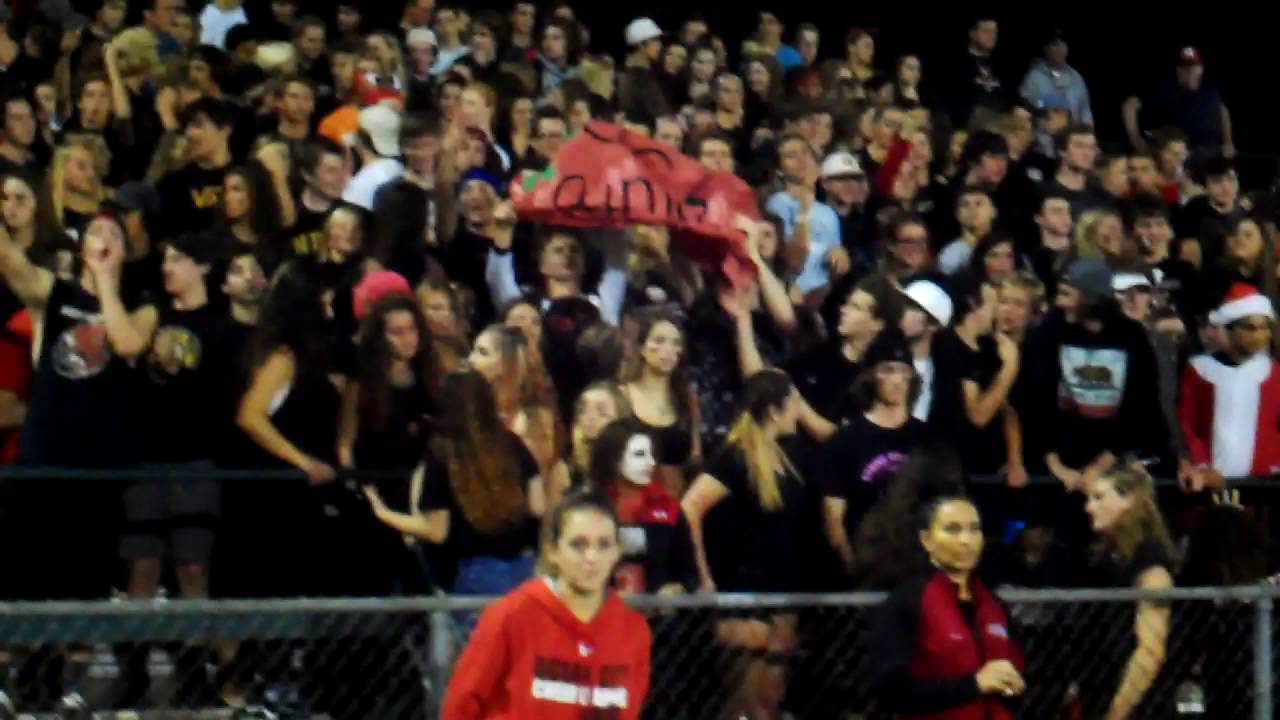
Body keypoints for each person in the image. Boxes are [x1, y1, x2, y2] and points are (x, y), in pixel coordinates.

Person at [442, 490, 651, 720]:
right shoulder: (510, 616)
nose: (591, 557)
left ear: (617, 552)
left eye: (603, 545)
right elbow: (460, 706)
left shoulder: (634, 631)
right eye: (578, 545)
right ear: (553, 550)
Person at [682, 369, 805, 720]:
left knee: (770, 700)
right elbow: (690, 507)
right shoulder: (734, 456)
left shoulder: (783, 456)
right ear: (774, 410)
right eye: (794, 403)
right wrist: (702, 575)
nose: (799, 412)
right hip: (742, 588)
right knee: (745, 702)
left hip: (780, 588)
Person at [867, 490, 1025, 719]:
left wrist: (1013, 687)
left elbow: (1017, 675)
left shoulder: (994, 604)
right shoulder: (906, 604)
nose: (966, 541)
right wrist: (974, 684)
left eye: (974, 529)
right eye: (953, 529)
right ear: (927, 540)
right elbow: (891, 692)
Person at [820, 328, 927, 578]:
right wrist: (853, 569)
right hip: (864, 568)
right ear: (871, 377)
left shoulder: (927, 438)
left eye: (903, 371)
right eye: (887, 370)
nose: (897, 379)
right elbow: (833, 516)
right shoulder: (846, 441)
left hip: (918, 571)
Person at [1082, 466, 1175, 718]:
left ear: (1128, 500)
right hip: (1101, 693)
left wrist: (1116, 714)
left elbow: (1150, 650)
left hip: (1138, 705)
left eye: (1099, 497)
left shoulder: (1150, 562)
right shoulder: (1104, 559)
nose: (1089, 507)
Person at [1179, 283, 1280, 487]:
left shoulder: (1273, 372)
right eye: (1251, 328)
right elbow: (1186, 422)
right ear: (1229, 330)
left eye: (1265, 328)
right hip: (1210, 481)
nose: (1261, 335)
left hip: (1262, 483)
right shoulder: (1200, 370)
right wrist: (1200, 464)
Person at [589, 419, 697, 595]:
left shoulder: (669, 508)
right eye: (639, 454)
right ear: (614, 459)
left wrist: (677, 589)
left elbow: (689, 575)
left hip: (655, 612)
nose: (650, 462)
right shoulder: (588, 506)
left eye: (651, 455)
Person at [622, 312, 700, 496]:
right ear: (641, 347)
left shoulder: (687, 400)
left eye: (676, 343)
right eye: (659, 341)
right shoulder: (623, 396)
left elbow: (695, 458)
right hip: (633, 497)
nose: (668, 350)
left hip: (677, 499)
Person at [1123, 46, 1234, 158]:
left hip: (1210, 156)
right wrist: (1136, 140)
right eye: (1184, 67)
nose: (1189, 71)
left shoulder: (1211, 92)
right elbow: (1129, 105)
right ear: (1178, 70)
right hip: (1175, 158)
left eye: (1193, 67)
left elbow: (1223, 111)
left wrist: (1228, 142)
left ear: (1201, 69)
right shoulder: (1164, 90)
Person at [1019, 29, 1092, 125]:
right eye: (1055, 44)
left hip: (1073, 133)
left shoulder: (1077, 79)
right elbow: (1023, 115)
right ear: (1046, 48)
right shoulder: (1033, 78)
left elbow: (1086, 117)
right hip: (1042, 133)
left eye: (1063, 44)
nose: (1060, 49)